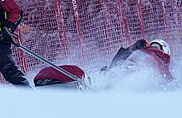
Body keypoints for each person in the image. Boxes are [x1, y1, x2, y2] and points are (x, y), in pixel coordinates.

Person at [33, 39, 173, 90]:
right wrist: (132, 48)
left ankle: (84, 84)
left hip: (114, 79)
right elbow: (116, 63)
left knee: (95, 78)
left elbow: (167, 82)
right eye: (152, 45)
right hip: (111, 74)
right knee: (88, 74)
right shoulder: (140, 54)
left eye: (157, 46)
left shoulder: (160, 65)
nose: (153, 48)